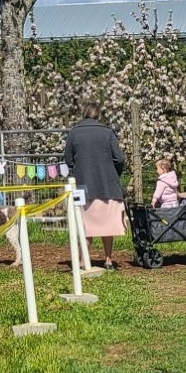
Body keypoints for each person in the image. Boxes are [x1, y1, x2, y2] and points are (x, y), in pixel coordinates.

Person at [62, 104, 126, 271]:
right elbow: (119, 158)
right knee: (107, 225)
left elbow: (68, 158)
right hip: (107, 184)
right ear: (98, 115)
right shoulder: (107, 132)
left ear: (84, 114)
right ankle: (108, 260)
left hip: (83, 184)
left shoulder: (74, 132)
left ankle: (84, 260)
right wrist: (113, 172)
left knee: (85, 222)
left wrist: (78, 168)